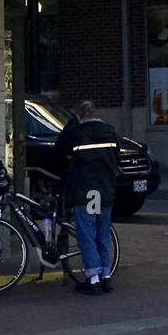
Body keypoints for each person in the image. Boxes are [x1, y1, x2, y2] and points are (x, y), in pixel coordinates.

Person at [55, 99, 119, 295]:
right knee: (102, 235)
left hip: (86, 191)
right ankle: (106, 277)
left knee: (87, 236)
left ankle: (93, 280)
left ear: (79, 116)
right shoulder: (110, 131)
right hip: (105, 190)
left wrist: (71, 124)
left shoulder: (78, 134)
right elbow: (115, 157)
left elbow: (60, 148)